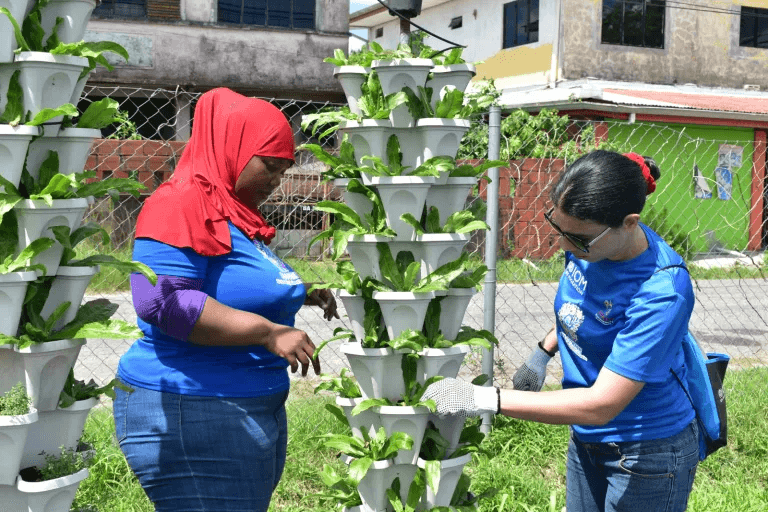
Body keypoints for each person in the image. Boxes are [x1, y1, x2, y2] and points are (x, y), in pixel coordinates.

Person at [423, 150, 700, 512]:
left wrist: (483, 399)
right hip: (586, 437)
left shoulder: (663, 291)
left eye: (578, 239)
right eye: (559, 229)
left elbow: (602, 405)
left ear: (629, 223)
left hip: (646, 452)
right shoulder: (592, 245)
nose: (565, 247)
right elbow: (583, 309)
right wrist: (544, 351)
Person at [113, 87, 338, 512]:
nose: (276, 181)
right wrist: (269, 332)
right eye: (269, 167)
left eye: (283, 171)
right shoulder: (179, 202)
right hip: (193, 406)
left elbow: (226, 282)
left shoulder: (229, 209)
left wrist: (301, 294)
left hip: (238, 406)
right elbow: (159, 302)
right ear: (232, 147)